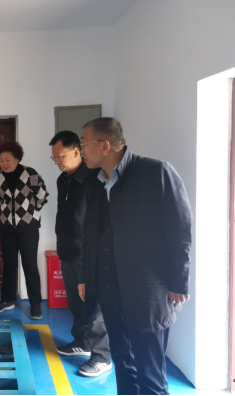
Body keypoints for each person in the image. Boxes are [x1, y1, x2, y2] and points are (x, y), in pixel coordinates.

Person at [79, 117, 192, 395]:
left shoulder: (156, 173)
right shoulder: (94, 183)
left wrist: (179, 281)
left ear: (105, 145)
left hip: (147, 291)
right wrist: (85, 277)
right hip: (109, 289)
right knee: (122, 361)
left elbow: (180, 230)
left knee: (150, 373)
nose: (81, 150)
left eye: (84, 143)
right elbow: (90, 235)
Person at [50, 131, 112, 377]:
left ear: (76, 151)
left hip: (88, 254)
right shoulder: (62, 180)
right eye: (54, 157)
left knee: (93, 305)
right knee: (75, 302)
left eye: (60, 156)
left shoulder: (94, 179)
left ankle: (102, 357)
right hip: (67, 250)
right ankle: (82, 342)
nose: (57, 161)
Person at [0, 141, 49, 320]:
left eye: (8, 159)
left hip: (28, 229)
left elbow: (42, 196)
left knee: (30, 266)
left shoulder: (30, 174)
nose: (4, 163)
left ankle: (35, 304)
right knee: (9, 265)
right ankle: (7, 300)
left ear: (17, 158)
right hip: (6, 228)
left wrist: (29, 213)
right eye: (1, 160)